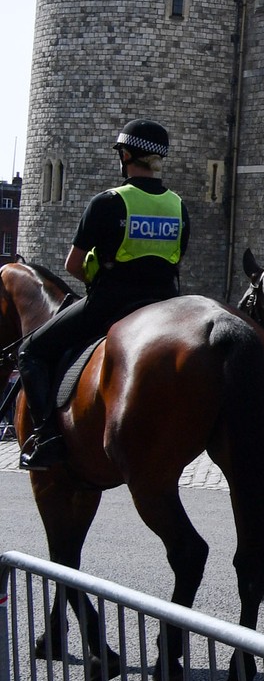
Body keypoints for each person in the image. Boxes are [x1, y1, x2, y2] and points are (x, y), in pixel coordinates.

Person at [16, 120, 187, 469]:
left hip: (111, 302)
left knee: (30, 351)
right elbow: (175, 258)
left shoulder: (108, 202)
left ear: (125, 156)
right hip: (166, 304)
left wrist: (95, 279)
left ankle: (47, 437)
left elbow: (73, 265)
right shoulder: (178, 205)